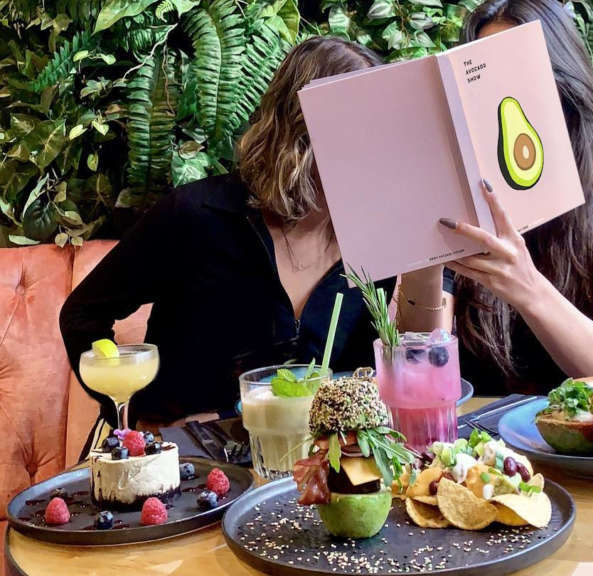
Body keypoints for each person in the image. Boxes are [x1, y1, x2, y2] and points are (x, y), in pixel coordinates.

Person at [59, 36, 442, 437]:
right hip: (191, 463)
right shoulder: (195, 216)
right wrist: (135, 414)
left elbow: (359, 376)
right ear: (300, 133)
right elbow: (82, 315)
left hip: (306, 461)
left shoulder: (369, 241)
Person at [436, 0, 593, 395]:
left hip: (580, 428)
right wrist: (422, 255)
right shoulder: (462, 203)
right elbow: (424, 362)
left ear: (565, 83)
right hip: (471, 429)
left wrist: (525, 284)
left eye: (516, 72)